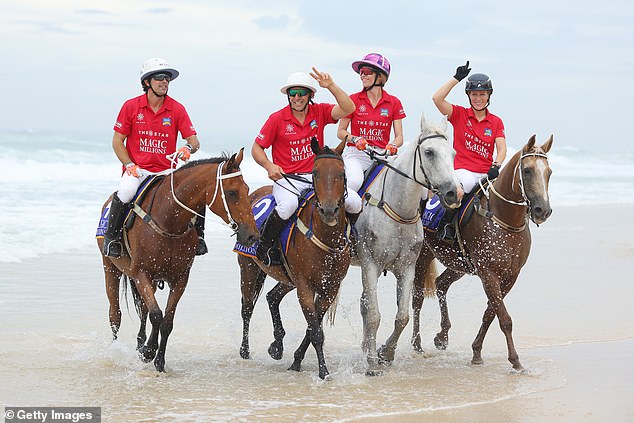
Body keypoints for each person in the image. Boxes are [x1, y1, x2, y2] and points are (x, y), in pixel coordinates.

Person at [252, 67, 362, 266]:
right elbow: (257, 148)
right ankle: (265, 246)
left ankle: (348, 238)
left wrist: (331, 86)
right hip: (287, 179)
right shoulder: (277, 119)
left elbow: (349, 109)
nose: (297, 98)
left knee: (355, 202)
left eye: (301, 93)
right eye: (292, 93)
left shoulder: (319, 111)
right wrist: (269, 166)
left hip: (314, 179)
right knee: (288, 206)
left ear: (310, 95)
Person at [102, 57, 207, 258]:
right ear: (146, 82)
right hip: (138, 170)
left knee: (196, 192)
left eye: (167, 78)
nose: (164, 82)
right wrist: (129, 164)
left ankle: (199, 238)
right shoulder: (131, 106)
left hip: (167, 171)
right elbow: (117, 142)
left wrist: (187, 149)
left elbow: (194, 141)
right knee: (125, 191)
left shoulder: (177, 109)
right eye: (159, 77)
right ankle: (112, 239)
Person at [432, 60, 507, 242]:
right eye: (474, 94)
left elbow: (502, 147)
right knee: (457, 191)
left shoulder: (496, 121)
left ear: (489, 95)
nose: (478, 98)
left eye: (482, 94)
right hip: (464, 171)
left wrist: (497, 165)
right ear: (469, 96)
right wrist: (456, 79)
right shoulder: (459, 114)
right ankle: (447, 225)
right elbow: (437, 99)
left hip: (487, 173)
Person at [337, 53, 406, 193]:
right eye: (360, 72)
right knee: (354, 182)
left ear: (380, 76)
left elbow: (399, 137)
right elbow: (341, 132)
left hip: (382, 155)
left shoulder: (394, 102)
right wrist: (355, 139)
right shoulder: (353, 99)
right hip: (357, 154)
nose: (362, 75)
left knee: (404, 182)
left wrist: (392, 145)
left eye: (367, 72)